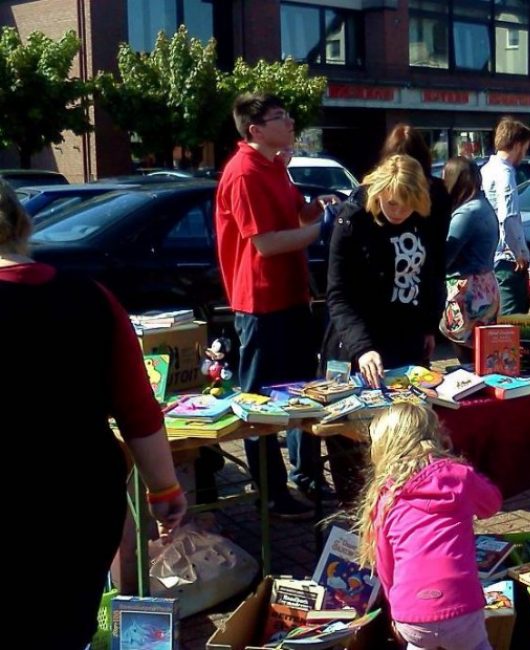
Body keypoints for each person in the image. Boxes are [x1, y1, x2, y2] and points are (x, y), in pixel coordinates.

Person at [1, 179, 187, 648]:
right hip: (78, 504)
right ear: (22, 222)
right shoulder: (91, 298)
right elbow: (138, 410)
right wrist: (163, 489)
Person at [215, 93, 338, 517]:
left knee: (302, 393)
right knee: (260, 406)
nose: (289, 122)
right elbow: (266, 244)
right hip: (261, 303)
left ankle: (306, 476)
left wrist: (316, 208)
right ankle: (272, 493)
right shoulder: (244, 173)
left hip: (291, 295)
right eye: (279, 117)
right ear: (255, 130)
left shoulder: (275, 165)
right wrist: (320, 230)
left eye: (288, 115)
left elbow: (294, 218)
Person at [354, 403, 501, 650]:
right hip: (461, 605)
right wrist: (474, 479)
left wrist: (396, 607)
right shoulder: (459, 476)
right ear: (435, 433)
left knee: (420, 643)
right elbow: (491, 505)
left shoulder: (386, 496)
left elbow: (385, 564)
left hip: (410, 612)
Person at [321, 154, 445, 386]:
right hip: (360, 341)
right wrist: (363, 347)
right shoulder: (353, 219)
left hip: (407, 338)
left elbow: (431, 273)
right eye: (392, 203)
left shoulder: (423, 217)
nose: (399, 211)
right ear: (379, 192)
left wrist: (429, 324)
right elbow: (338, 294)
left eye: (408, 205)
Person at [439, 157, 500, 351]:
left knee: (468, 356)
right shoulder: (483, 205)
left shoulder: (466, 213)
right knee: (480, 354)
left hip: (469, 293)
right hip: (485, 286)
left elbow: (444, 257)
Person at [480, 118, 530, 315]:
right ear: (518, 145)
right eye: (525, 148)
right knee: (511, 319)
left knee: (492, 316)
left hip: (487, 255)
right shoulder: (505, 173)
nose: (524, 154)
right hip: (505, 257)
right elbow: (508, 216)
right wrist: (518, 251)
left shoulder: (485, 169)